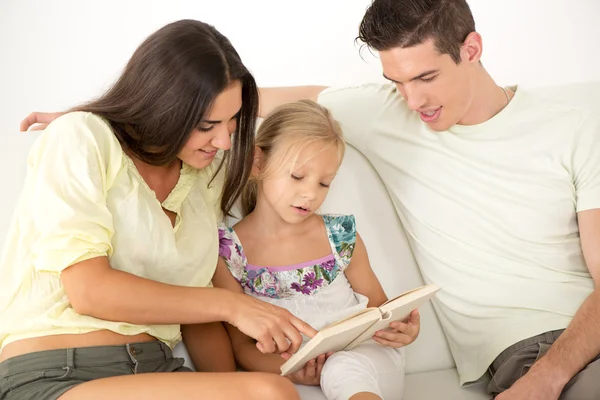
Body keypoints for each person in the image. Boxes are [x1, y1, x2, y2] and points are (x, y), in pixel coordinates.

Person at [256, 1, 600, 400]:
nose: (413, 100)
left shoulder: (573, 126)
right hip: (532, 348)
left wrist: (548, 378)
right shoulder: (383, 112)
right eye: (397, 82)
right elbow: (244, 98)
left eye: (426, 77)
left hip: (580, 337)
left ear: (471, 49)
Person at [2, 19, 317, 400]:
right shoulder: (82, 136)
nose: (223, 139)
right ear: (161, 105)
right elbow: (89, 291)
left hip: (157, 368)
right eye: (206, 124)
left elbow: (331, 100)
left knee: (271, 391)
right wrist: (231, 305)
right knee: (269, 393)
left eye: (232, 121)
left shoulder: (205, 175)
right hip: (56, 371)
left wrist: (235, 379)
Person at [211, 99, 419, 400]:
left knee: (342, 366)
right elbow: (242, 348)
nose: (310, 194)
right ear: (258, 163)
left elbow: (380, 311)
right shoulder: (229, 253)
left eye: (324, 183)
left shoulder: (340, 235)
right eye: (297, 177)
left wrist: (403, 330)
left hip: (368, 359)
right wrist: (292, 370)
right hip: (298, 367)